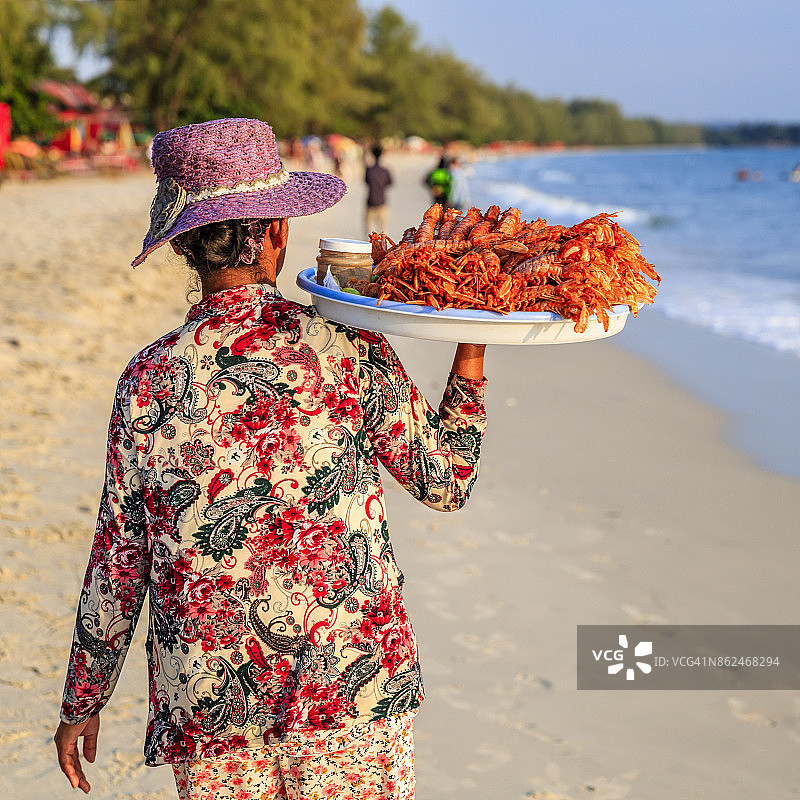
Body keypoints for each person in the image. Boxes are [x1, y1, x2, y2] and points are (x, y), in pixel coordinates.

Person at [54, 117, 488, 799]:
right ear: (279, 233)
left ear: (185, 248)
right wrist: (473, 344)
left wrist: (84, 698)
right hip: (352, 683)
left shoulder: (146, 380)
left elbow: (119, 559)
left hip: (209, 703)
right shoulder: (345, 345)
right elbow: (446, 482)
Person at [364, 143, 393, 234]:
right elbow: (390, 183)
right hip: (382, 201)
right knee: (383, 231)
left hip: (371, 201)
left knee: (369, 231)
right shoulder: (385, 170)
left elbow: (366, 182)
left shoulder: (369, 170)